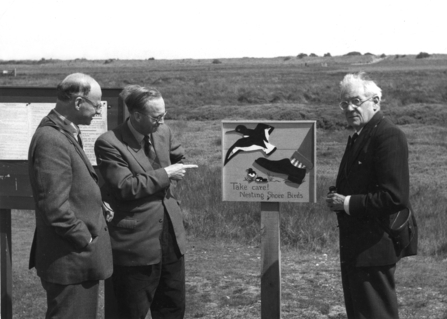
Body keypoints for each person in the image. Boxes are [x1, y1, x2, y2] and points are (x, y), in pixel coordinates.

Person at [94, 85, 196, 319]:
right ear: (136, 115)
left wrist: (178, 166)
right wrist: (166, 174)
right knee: (131, 311)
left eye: (164, 115)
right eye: (157, 117)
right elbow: (125, 187)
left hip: (171, 238)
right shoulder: (109, 143)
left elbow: (179, 155)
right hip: (135, 243)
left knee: (172, 307)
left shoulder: (163, 132)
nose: (162, 121)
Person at [325, 72, 413, 319]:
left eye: (356, 101)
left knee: (376, 314)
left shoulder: (388, 135)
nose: (350, 108)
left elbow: (395, 197)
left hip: (375, 247)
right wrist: (339, 196)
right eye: (345, 103)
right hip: (357, 247)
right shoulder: (359, 135)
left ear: (375, 102)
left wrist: (347, 203)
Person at [28, 73, 113, 318]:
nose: (97, 111)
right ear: (77, 103)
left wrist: (96, 205)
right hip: (71, 260)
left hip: (75, 261)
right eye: (95, 105)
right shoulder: (52, 139)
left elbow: (72, 187)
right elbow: (54, 206)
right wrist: (85, 238)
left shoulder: (64, 131)